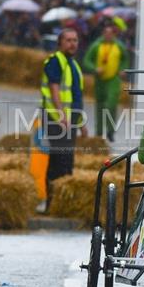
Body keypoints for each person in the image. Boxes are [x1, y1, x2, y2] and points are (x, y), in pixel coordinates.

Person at [41, 28, 87, 210]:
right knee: (58, 162)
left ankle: (62, 204)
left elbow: (76, 97)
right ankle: (51, 204)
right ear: (60, 43)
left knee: (67, 163)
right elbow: (54, 90)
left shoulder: (74, 65)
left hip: (68, 121)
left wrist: (81, 123)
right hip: (56, 120)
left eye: (75, 40)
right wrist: (61, 115)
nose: (72, 43)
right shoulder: (55, 61)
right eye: (68, 40)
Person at [82, 18, 129, 142]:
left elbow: (125, 59)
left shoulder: (119, 46)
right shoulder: (96, 45)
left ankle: (110, 130)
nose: (108, 35)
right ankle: (98, 132)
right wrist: (94, 68)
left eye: (110, 33)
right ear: (103, 33)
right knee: (99, 106)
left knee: (111, 104)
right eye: (106, 33)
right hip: (99, 80)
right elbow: (86, 60)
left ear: (113, 34)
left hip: (113, 79)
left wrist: (123, 69)